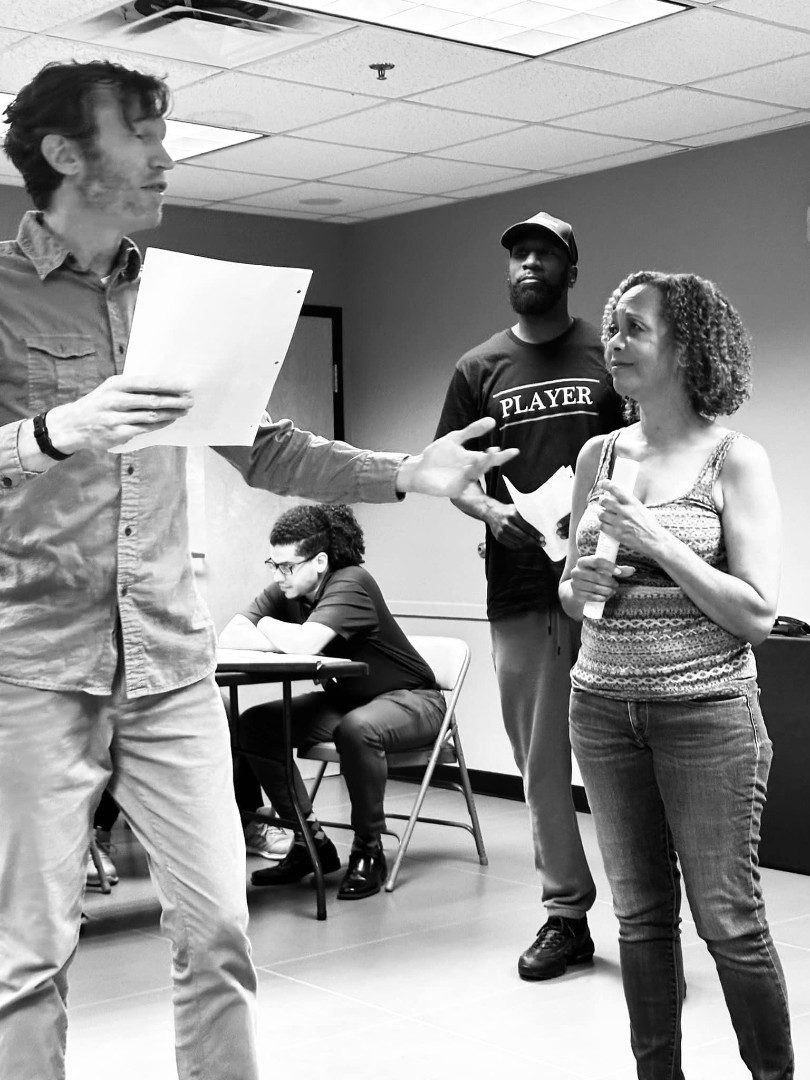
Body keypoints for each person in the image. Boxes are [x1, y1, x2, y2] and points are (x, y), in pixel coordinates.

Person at [0, 60, 516, 1080]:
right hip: (33, 669)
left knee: (219, 933)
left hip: (170, 666)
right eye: (143, 132)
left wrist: (406, 472)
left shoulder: (174, 299)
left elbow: (266, 445)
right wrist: (57, 430)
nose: (166, 154)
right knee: (27, 957)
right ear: (65, 153)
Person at [559, 271, 793, 1078]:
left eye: (635, 327)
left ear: (687, 348)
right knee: (639, 919)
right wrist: (579, 583)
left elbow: (756, 614)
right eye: (611, 326)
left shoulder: (735, 459)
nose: (614, 341)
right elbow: (572, 591)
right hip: (601, 709)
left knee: (728, 919)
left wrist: (658, 541)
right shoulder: (598, 455)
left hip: (707, 716)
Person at [434, 211, 623, 980]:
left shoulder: (609, 356)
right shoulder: (478, 368)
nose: (528, 264)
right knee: (542, 765)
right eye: (518, 254)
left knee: (627, 763)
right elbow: (453, 476)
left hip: (614, 590)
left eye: (544, 253)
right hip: (520, 592)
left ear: (571, 271)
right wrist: (491, 511)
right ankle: (565, 916)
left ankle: (651, 918)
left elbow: (646, 458)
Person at [220, 503, 447, 900]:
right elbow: (231, 634)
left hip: (414, 702)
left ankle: (369, 849)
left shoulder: (351, 582)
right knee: (255, 724)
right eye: (273, 565)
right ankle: (310, 842)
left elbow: (305, 644)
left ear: (320, 562)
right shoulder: (289, 588)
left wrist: (268, 625)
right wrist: (282, 635)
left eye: (286, 566)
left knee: (357, 729)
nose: (277, 576)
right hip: (347, 702)